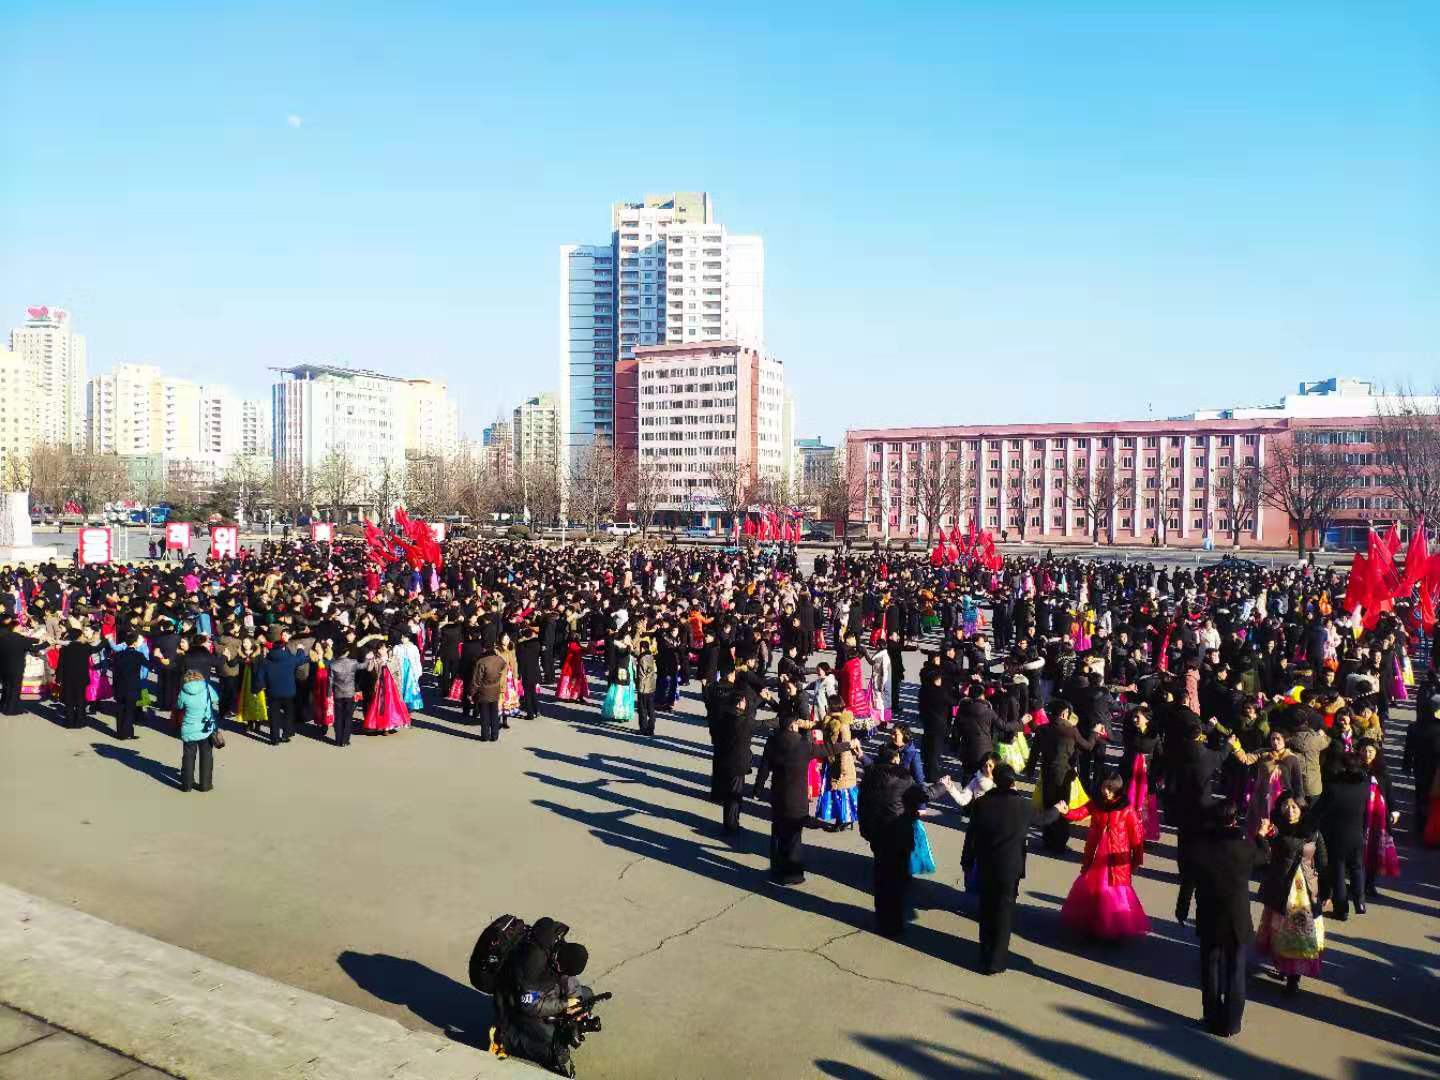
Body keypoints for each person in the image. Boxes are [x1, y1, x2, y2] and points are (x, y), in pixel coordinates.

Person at [962, 764, 1054, 974]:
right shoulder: (1023, 805)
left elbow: (971, 835)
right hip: (1011, 868)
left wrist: (966, 861)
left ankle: (985, 956)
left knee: (986, 910)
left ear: (995, 780)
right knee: (1004, 914)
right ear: (1013, 782)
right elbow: (1044, 819)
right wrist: (1058, 809)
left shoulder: (982, 803)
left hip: (986, 865)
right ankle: (997, 960)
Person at [1189, 800, 1264, 1037]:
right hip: (1236, 917)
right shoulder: (1245, 848)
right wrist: (1261, 836)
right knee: (1235, 970)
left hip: (1209, 914)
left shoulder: (1200, 847)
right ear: (1234, 820)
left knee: (1210, 969)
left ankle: (1212, 1017)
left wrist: (1182, 907)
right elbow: (1265, 857)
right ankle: (1232, 1023)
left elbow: (1188, 881)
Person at [857, 743, 944, 937]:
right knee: (896, 881)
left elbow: (862, 804)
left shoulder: (870, 776)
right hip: (898, 834)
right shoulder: (903, 779)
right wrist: (942, 785)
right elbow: (925, 794)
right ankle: (894, 924)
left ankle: (882, 920)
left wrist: (866, 829)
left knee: (881, 877)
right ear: (895, 759)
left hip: (876, 833)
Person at [1059, 771, 1151, 941]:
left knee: (1115, 891)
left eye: (1111, 789)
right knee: (1093, 889)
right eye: (1105, 788)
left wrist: (1137, 860)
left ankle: (1114, 926)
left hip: (1117, 858)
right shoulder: (1096, 803)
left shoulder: (1126, 809)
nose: (1107, 792)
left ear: (1118, 790)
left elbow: (1136, 837)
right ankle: (1093, 923)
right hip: (1096, 856)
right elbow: (1080, 813)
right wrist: (1067, 812)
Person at [496, 929, 596, 1078]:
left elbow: (568, 977)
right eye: (563, 969)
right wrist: (564, 1004)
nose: (563, 971)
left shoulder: (558, 947)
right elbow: (530, 1005)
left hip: (542, 992)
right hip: (517, 1006)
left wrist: (576, 1004)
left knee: (587, 996)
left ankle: (554, 1025)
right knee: (556, 1054)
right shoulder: (532, 966)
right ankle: (507, 1039)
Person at [1255, 792, 1328, 994]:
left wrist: (1327, 890)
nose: (1290, 810)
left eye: (1294, 806)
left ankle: (1294, 978)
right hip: (1281, 889)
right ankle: (1284, 967)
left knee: (1299, 936)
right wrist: (1261, 836)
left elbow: (1322, 860)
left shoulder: (1312, 831)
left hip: (1305, 892)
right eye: (1286, 806)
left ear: (1302, 809)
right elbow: (1263, 857)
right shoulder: (1275, 830)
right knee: (1280, 933)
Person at [753, 712, 832, 885]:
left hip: (778, 796)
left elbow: (764, 769)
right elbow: (827, 750)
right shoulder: (803, 744)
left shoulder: (772, 742)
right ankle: (792, 874)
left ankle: (776, 867)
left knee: (777, 833)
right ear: (792, 726)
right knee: (794, 838)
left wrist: (757, 789)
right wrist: (849, 745)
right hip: (797, 799)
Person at [1311, 751, 1369, 919]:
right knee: (1357, 868)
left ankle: (1342, 910)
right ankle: (1360, 902)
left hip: (1336, 836)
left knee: (1338, 872)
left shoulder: (1333, 788)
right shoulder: (1363, 786)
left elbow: (1318, 811)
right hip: (1357, 834)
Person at [1357, 739, 1400, 897]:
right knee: (1359, 851)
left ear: (1376, 753)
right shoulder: (1353, 769)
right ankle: (1357, 885)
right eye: (1364, 750)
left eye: (1370, 751)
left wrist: (1394, 811)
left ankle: (1370, 884)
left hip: (1378, 818)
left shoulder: (1382, 772)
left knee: (1374, 851)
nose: (1367, 754)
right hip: (1360, 816)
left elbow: (1389, 793)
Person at [176, 669, 220, 793]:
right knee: (206, 756)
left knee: (188, 757)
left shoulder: (184, 691)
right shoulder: (206, 687)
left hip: (189, 728)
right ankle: (205, 784)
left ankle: (187, 785)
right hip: (206, 727)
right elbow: (216, 699)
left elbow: (179, 705)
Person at [107, 632, 147, 740]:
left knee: (120, 710)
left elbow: (114, 671)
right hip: (133, 686)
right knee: (130, 711)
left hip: (120, 685)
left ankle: (122, 732)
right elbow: (149, 664)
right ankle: (126, 733)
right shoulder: (138, 655)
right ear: (135, 643)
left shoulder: (118, 655)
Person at [470, 644, 507, 742]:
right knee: (494, 713)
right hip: (495, 689)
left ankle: (485, 735)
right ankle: (495, 735)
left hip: (483, 691)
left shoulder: (481, 662)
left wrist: (472, 692)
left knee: (484, 714)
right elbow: (504, 667)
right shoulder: (499, 660)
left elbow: (476, 680)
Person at [635, 639, 658, 736]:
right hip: (651, 686)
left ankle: (643, 728)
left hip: (643, 686)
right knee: (651, 708)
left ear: (642, 648)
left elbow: (645, 671)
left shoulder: (643, 658)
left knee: (642, 709)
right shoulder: (651, 657)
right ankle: (651, 728)